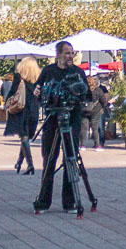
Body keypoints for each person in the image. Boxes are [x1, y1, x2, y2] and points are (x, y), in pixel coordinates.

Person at [32, 41, 90, 211]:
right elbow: (38, 91)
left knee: (70, 159)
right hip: (52, 120)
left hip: (72, 119)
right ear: (58, 55)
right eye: (66, 53)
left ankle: (70, 201)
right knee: (49, 159)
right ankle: (43, 201)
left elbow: (86, 96)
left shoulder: (78, 72)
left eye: (71, 53)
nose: (70, 56)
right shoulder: (48, 72)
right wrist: (38, 93)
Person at [4, 55, 42, 175]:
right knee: (26, 138)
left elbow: (12, 92)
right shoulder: (39, 79)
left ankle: (30, 165)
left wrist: (7, 102)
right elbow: (41, 96)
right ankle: (19, 162)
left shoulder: (18, 78)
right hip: (34, 110)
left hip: (22, 110)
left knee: (24, 137)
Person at [83, 77, 111, 151]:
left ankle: (82, 145)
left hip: (85, 111)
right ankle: (97, 145)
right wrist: (102, 107)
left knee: (84, 128)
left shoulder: (83, 90)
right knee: (95, 129)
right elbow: (104, 100)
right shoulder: (98, 90)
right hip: (96, 111)